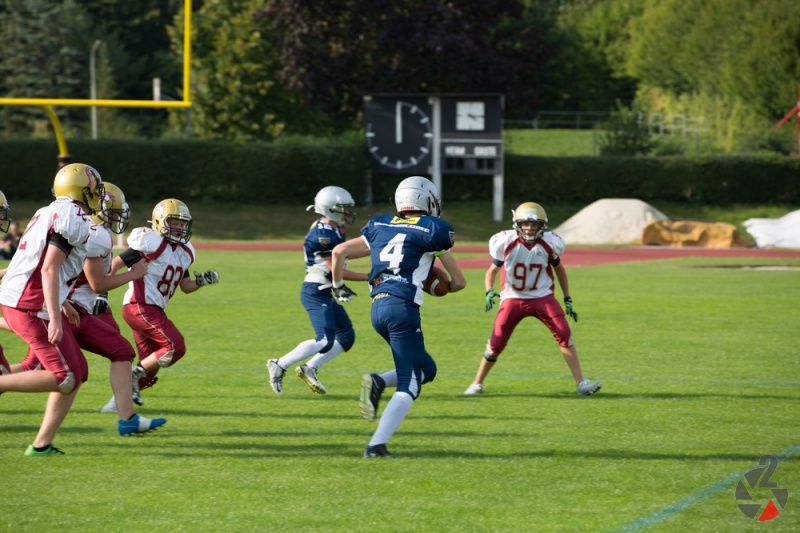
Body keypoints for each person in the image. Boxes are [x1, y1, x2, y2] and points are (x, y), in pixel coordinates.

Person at [331, 176, 466, 458]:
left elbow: (339, 251)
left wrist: (338, 285)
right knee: (411, 382)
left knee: (427, 369)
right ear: (427, 200)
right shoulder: (433, 229)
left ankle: (378, 382)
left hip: (378, 308)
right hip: (402, 309)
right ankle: (376, 446)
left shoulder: (381, 224)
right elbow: (459, 283)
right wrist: (437, 284)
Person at [0, 164, 105, 456]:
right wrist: (55, 316)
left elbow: (39, 265)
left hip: (26, 299)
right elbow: (48, 267)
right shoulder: (73, 217)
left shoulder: (49, 211)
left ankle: (42, 444)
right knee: (64, 377)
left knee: (78, 373)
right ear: (80, 191)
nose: (97, 194)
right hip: (30, 304)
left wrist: (63, 301)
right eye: (93, 188)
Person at [54, 182, 166, 434]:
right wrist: (133, 274)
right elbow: (96, 284)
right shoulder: (95, 235)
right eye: (114, 212)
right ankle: (42, 441)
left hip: (76, 310)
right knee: (52, 372)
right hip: (67, 311)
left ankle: (128, 419)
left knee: (121, 351)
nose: (118, 218)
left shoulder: (92, 230)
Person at [463, 202, 602, 397]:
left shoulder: (549, 243)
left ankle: (581, 383)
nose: (529, 228)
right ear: (517, 224)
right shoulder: (504, 241)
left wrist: (567, 297)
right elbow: (492, 271)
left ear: (542, 225)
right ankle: (477, 383)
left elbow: (559, 269)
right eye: (525, 224)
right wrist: (488, 290)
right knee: (496, 342)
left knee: (564, 333)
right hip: (512, 297)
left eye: (534, 224)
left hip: (542, 297)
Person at [102, 198, 220, 410]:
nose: (179, 228)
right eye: (174, 222)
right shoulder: (151, 242)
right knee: (175, 346)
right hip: (139, 305)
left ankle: (117, 404)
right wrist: (102, 292)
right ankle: (133, 375)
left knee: (152, 363)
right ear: (159, 220)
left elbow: (185, 285)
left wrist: (201, 281)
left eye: (183, 224)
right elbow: (116, 263)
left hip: (154, 309)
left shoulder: (184, 251)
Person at [267, 186, 369, 396]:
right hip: (315, 289)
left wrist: (378, 251)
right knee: (324, 339)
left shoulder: (335, 228)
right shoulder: (323, 233)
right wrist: (370, 276)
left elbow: (344, 256)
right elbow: (335, 270)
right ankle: (279, 363)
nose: (347, 212)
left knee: (346, 337)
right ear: (330, 208)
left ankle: (309, 367)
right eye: (343, 208)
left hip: (324, 289)